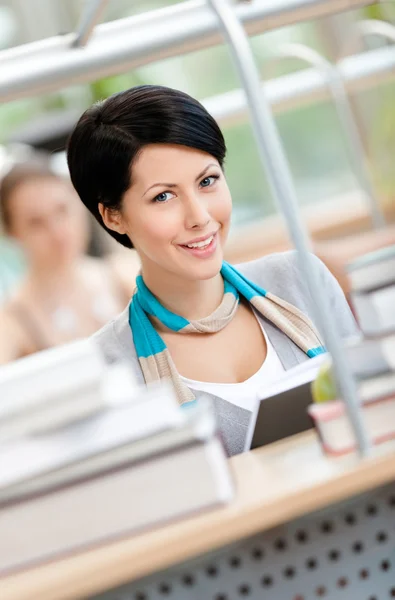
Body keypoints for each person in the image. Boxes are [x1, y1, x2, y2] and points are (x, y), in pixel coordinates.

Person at [67, 85, 358, 455]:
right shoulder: (109, 365)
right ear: (113, 216)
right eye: (163, 196)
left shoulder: (300, 279)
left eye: (207, 181)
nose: (200, 217)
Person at [0, 163, 136, 364]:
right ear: (13, 233)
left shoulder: (125, 276)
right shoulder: (12, 322)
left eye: (62, 210)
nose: (58, 232)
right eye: (36, 222)